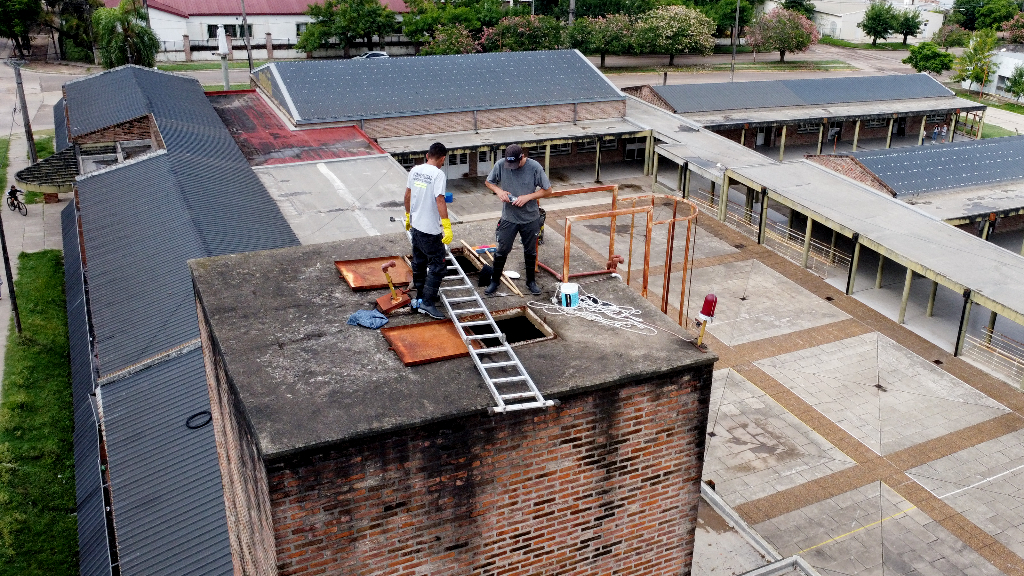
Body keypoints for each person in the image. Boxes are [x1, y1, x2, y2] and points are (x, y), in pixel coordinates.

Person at [484, 144, 552, 296]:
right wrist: (499, 191)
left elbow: (548, 190)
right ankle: (494, 281)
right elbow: (489, 182)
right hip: (509, 217)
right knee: (502, 249)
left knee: (530, 251)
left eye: (515, 164)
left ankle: (531, 281)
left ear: (522, 157)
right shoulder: (501, 164)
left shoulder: (534, 167)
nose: (512, 168)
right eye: (510, 165)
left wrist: (528, 197)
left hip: (530, 218)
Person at [403, 142, 453, 320]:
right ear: (442, 158)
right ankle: (428, 303)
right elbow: (440, 199)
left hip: (416, 226)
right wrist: (446, 225)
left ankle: (420, 296)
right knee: (438, 266)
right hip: (430, 230)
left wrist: (408, 216)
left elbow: (407, 194)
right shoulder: (438, 174)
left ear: (427, 155)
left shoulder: (415, 170)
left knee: (419, 261)